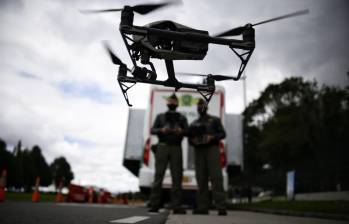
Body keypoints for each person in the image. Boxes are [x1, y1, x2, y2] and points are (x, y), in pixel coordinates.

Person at [148, 93, 188, 214]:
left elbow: (188, 132)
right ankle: (154, 204)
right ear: (168, 102)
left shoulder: (182, 117)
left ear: (177, 104)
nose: (172, 103)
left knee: (177, 177)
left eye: (174, 101)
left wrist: (181, 131)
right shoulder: (160, 116)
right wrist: (161, 129)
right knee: (158, 176)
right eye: (171, 101)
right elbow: (152, 130)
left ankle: (176, 206)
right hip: (162, 146)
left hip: (176, 147)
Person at [188, 98, 227, 216]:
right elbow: (189, 139)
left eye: (202, 105)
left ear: (206, 107)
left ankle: (221, 207)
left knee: (216, 177)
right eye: (198, 106)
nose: (200, 108)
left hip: (212, 149)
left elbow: (223, 134)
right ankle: (202, 207)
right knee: (201, 179)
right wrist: (194, 140)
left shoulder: (214, 120)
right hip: (199, 150)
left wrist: (212, 137)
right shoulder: (194, 123)